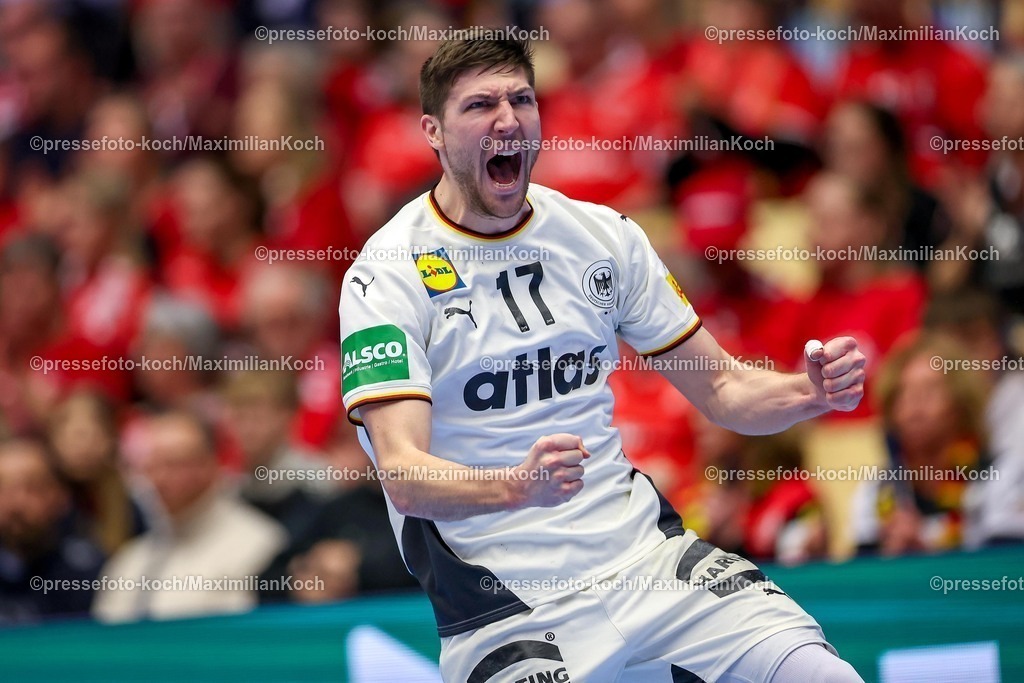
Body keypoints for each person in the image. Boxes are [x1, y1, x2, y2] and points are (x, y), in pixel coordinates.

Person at [339, 38, 866, 682]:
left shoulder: (602, 235)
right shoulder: (386, 273)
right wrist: (516, 486)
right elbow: (403, 475)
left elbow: (724, 389)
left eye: (521, 100)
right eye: (479, 105)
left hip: (646, 564)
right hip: (508, 608)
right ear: (434, 133)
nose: (507, 119)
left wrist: (808, 393)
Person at [92, 411, 286, 624]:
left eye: (174, 464)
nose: (160, 477)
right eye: (151, 465)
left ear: (211, 463)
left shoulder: (257, 545)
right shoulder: (133, 558)